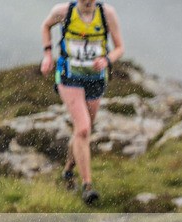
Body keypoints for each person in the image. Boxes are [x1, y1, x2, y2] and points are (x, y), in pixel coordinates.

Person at [40, 0, 125, 205]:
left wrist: (107, 60)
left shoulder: (107, 14)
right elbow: (45, 26)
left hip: (95, 80)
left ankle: (68, 170)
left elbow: (120, 47)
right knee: (84, 129)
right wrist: (48, 54)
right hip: (69, 77)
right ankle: (88, 186)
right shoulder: (62, 12)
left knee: (82, 131)